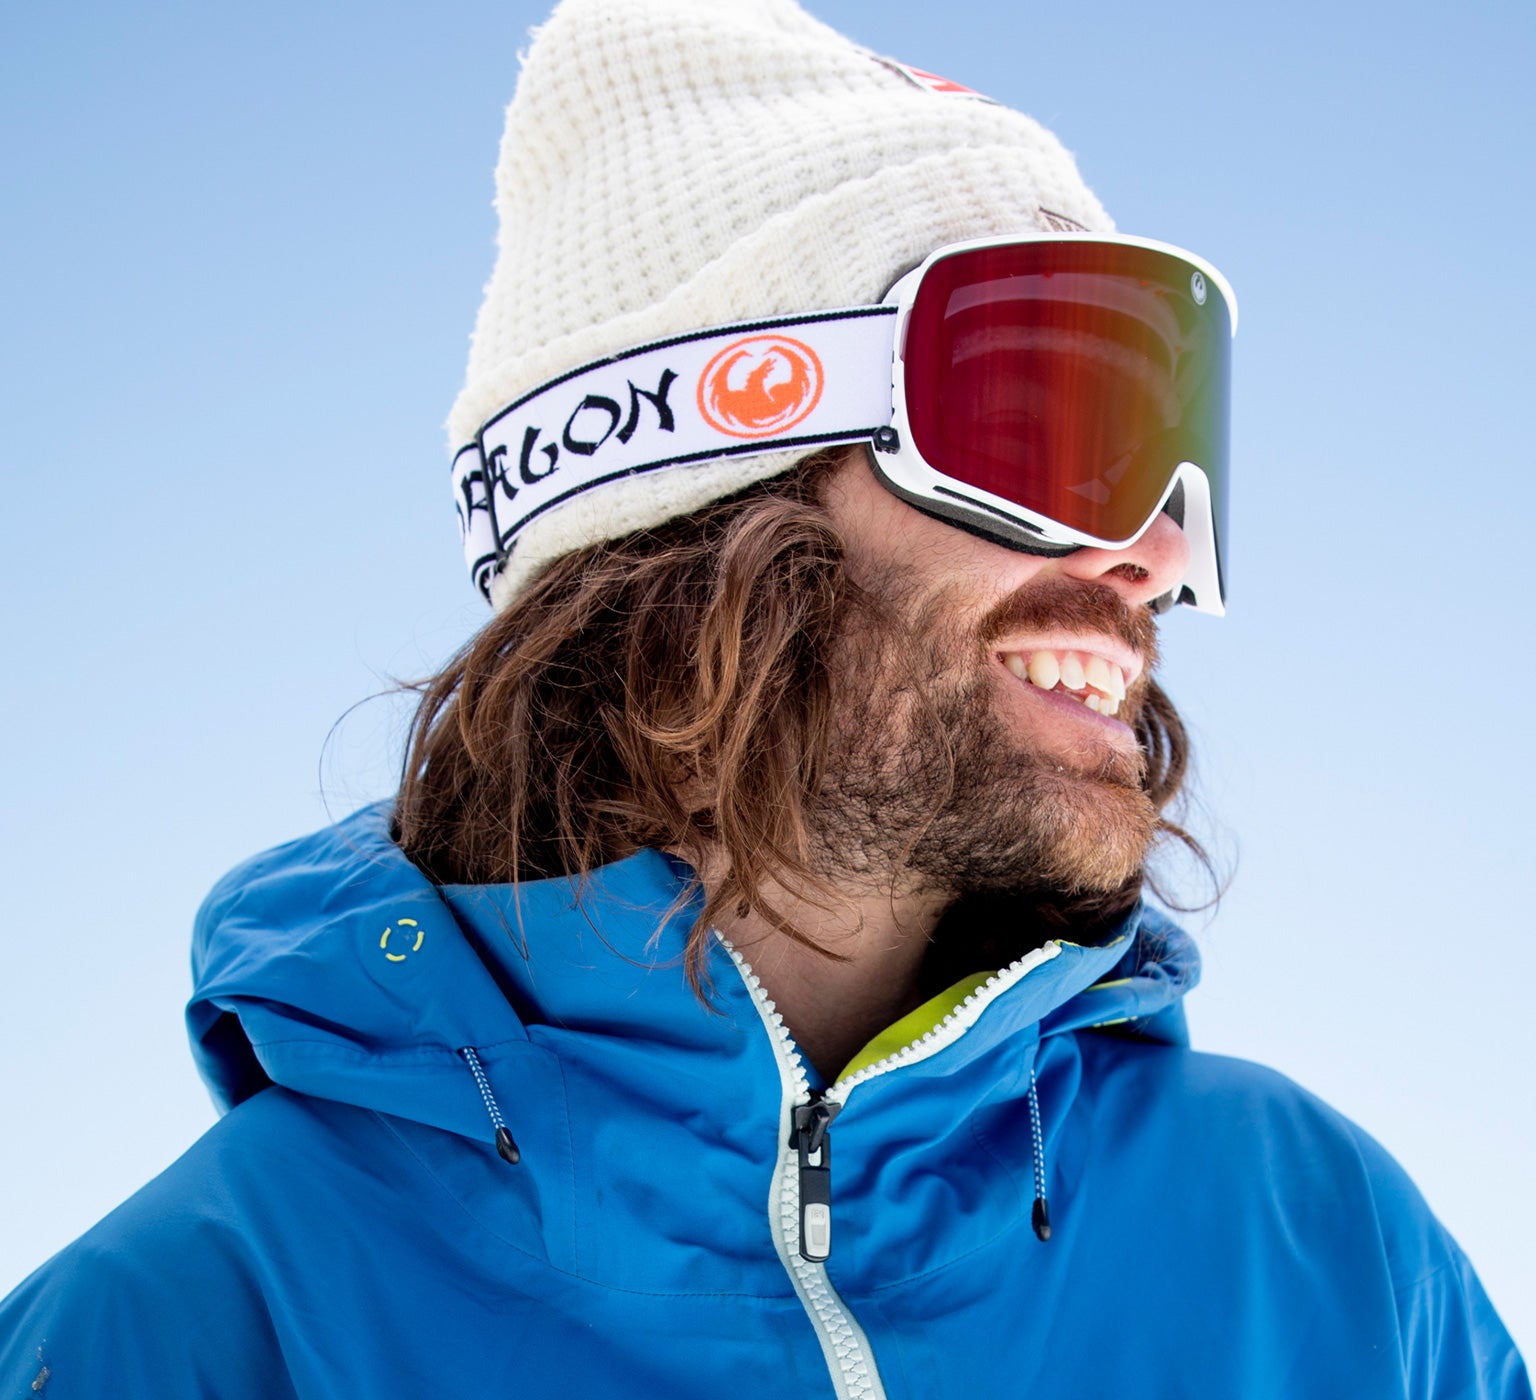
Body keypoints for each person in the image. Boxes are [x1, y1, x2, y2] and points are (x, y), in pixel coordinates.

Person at [1, 0, 1528, 1395]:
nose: (1152, 553)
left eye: (1175, 449)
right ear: (704, 494)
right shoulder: (195, 1328)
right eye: (1040, 427)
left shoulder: (1319, 1253)